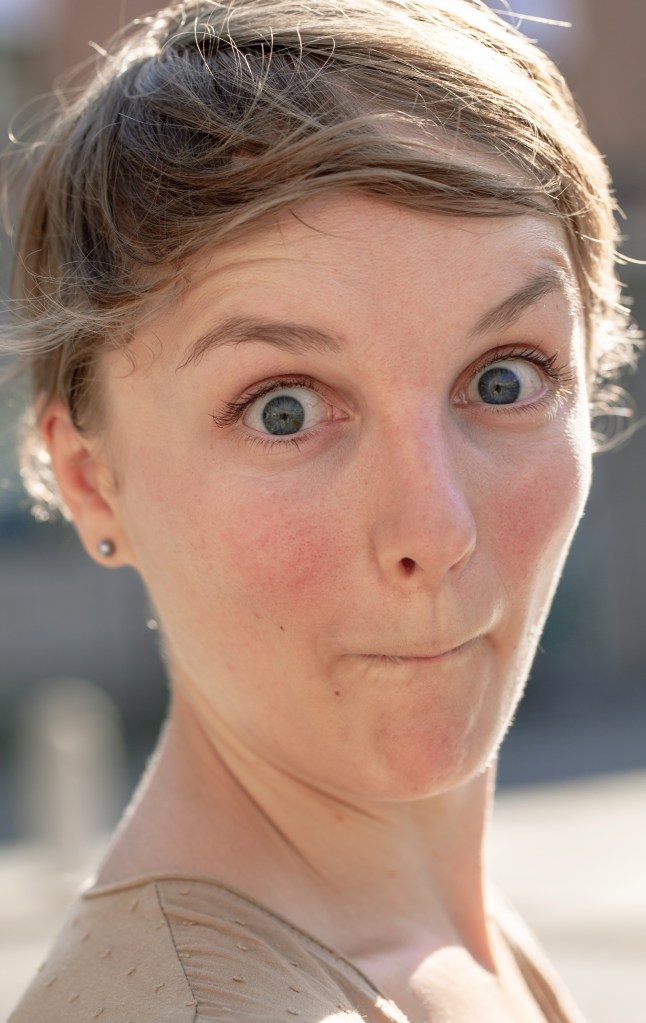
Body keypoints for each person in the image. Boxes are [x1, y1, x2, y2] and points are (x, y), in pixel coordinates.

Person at [5, 1, 639, 1021]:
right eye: (284, 409)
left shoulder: (444, 941)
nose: (436, 531)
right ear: (89, 480)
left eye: (506, 379)